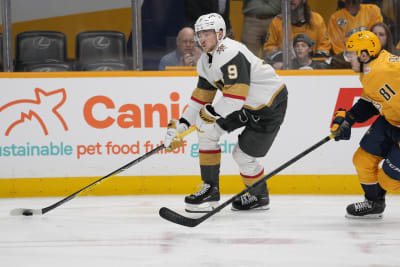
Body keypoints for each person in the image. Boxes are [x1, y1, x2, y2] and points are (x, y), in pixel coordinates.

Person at [164, 13, 288, 212]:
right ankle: (210, 190)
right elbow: (200, 99)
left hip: (268, 107)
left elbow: (236, 97)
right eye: (199, 34)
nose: (202, 39)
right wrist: (180, 126)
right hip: (242, 105)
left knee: (242, 155)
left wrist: (209, 115)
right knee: (206, 131)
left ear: (220, 34)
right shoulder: (205, 61)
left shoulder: (230, 51)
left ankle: (259, 196)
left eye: (207, 33)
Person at [330, 30, 400, 219]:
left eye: (350, 55)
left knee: (389, 181)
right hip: (391, 121)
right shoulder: (372, 68)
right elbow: (371, 102)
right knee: (362, 160)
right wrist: (349, 119)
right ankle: (374, 203)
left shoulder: (383, 70)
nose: (348, 59)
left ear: (364, 54)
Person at [263, 0, 331, 65]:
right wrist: (283, 59)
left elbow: (324, 46)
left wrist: (313, 62)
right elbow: (269, 47)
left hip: (313, 69)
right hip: (286, 67)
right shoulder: (277, 22)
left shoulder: (317, 19)